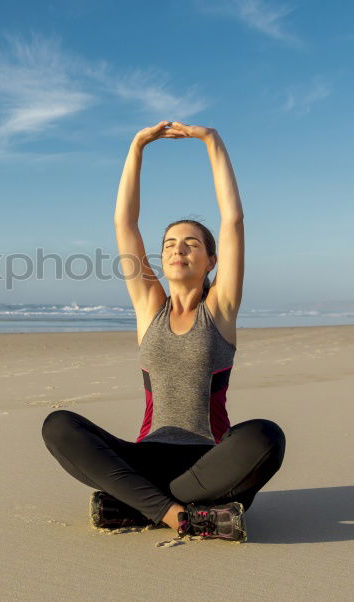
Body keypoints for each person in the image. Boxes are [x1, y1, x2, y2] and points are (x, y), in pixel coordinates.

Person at [41, 121, 286, 542]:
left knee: (266, 436)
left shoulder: (220, 309)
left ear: (211, 260)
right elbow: (125, 225)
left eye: (191, 243)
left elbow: (233, 220)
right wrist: (137, 146)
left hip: (208, 463)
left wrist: (212, 141)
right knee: (58, 425)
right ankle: (188, 517)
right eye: (171, 242)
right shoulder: (148, 308)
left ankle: (139, 505)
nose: (178, 249)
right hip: (145, 458)